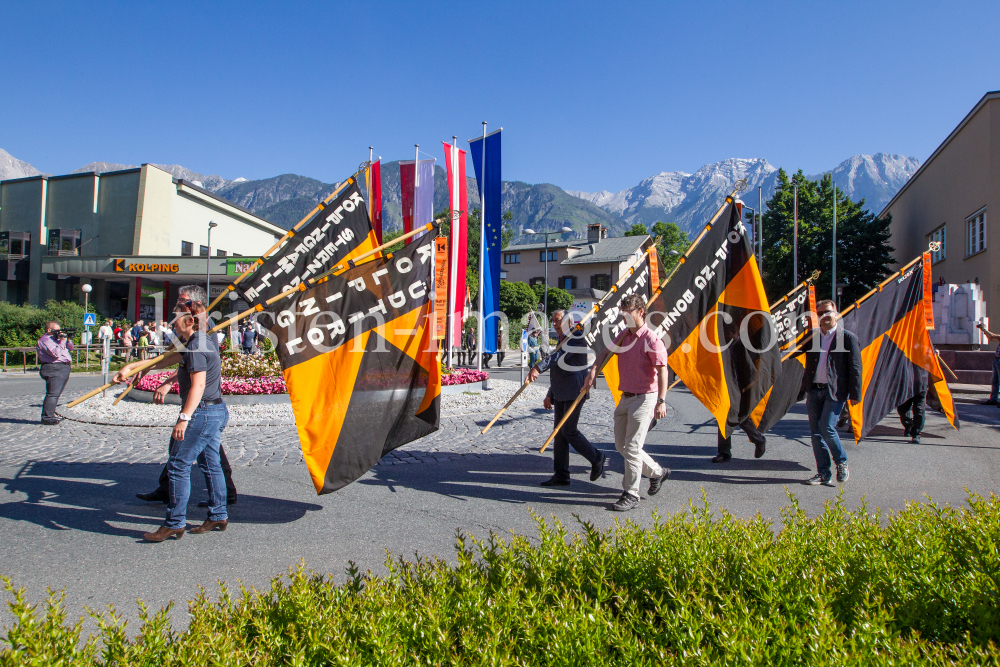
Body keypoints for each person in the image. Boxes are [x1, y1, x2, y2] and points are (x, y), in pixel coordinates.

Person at [117, 285, 231, 541]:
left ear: (189, 318)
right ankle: (218, 514)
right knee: (210, 463)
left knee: (179, 464)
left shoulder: (199, 341)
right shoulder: (198, 338)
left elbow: (199, 384)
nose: (170, 325)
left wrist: (184, 418)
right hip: (215, 410)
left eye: (175, 317)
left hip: (202, 412)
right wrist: (134, 366)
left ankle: (175, 522)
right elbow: (169, 359)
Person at [584, 294, 670, 512]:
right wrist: (593, 371)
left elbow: (662, 370)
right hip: (626, 398)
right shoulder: (624, 336)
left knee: (632, 447)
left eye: (628, 312)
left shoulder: (651, 339)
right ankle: (658, 472)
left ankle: (631, 493)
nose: (624, 317)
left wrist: (661, 401)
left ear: (640, 312)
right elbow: (605, 352)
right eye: (622, 313)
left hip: (645, 399)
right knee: (621, 446)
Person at [527, 310, 606, 487]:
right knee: (559, 434)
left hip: (575, 391)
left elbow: (557, 358)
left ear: (568, 321)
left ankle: (597, 457)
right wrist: (550, 393)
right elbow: (559, 368)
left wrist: (538, 368)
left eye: (558, 320)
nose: (555, 323)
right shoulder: (563, 338)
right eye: (553, 321)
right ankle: (561, 474)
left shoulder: (576, 336)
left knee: (569, 431)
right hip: (561, 392)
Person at [799, 299, 862, 486]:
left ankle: (841, 462)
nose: (823, 316)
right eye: (819, 313)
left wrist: (855, 394)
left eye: (827, 312)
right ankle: (823, 473)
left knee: (827, 428)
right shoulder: (812, 336)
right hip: (814, 390)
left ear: (836, 313)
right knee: (816, 433)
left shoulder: (848, 338)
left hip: (834, 392)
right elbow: (793, 350)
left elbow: (855, 368)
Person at [36, 321, 74, 425]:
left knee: (55, 394)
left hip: (61, 367)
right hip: (54, 367)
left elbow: (71, 348)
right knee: (53, 394)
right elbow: (56, 354)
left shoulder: (55, 339)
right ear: (49, 330)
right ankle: (47, 418)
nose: (59, 332)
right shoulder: (45, 340)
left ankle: (50, 414)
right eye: (57, 330)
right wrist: (62, 341)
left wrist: (67, 340)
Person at [897, 367, 927, 444]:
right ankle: (908, 425)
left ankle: (916, 434)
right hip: (905, 382)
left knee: (919, 410)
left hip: (921, 381)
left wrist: (936, 354)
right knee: (902, 409)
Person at [976, 322, 1000, 405]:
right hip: (997, 360)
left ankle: (995, 399)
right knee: (995, 381)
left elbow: (993, 336)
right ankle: (993, 399)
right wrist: (984, 331)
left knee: (997, 381)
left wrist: (984, 329)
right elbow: (991, 338)